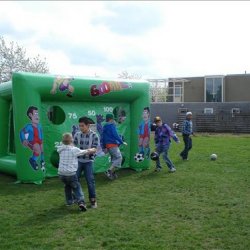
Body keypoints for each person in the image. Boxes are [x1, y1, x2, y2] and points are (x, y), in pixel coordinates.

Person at [56, 133, 88, 211]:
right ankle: (81, 202)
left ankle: (69, 201)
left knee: (67, 186)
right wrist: (92, 150)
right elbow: (84, 152)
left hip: (61, 174)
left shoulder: (60, 148)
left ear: (62, 141)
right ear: (72, 140)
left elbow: (64, 146)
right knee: (77, 187)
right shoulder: (74, 149)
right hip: (71, 174)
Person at [74, 116, 99, 209]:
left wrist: (85, 151)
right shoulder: (77, 134)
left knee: (90, 181)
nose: (80, 128)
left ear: (88, 125)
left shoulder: (94, 135)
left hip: (89, 161)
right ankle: (78, 199)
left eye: (82, 126)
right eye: (79, 126)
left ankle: (93, 200)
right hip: (78, 161)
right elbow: (73, 145)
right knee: (75, 180)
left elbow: (95, 149)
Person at [102, 114, 127, 180]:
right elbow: (115, 135)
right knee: (119, 158)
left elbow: (103, 137)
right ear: (111, 119)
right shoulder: (111, 126)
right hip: (113, 145)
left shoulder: (105, 126)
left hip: (108, 146)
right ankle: (109, 171)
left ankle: (112, 173)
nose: (114, 120)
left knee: (114, 159)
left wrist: (104, 146)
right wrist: (122, 142)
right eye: (113, 119)